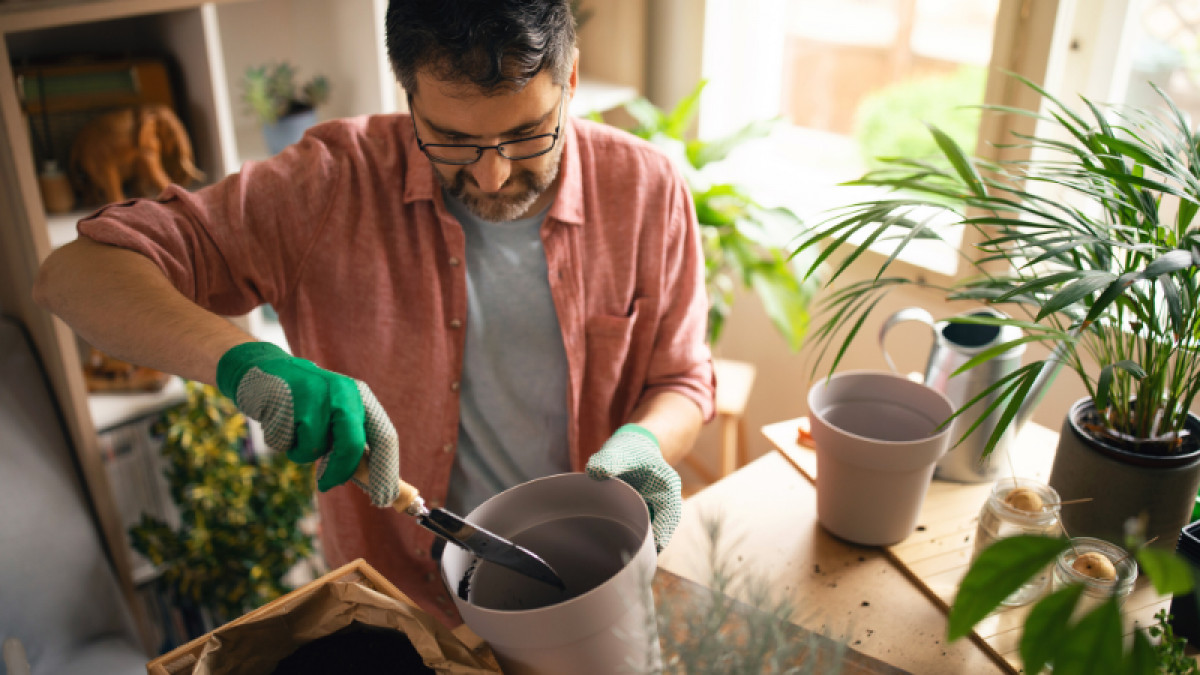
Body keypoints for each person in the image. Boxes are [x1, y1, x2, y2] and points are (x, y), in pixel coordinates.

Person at [33, 0, 715, 626]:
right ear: (409, 99)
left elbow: (682, 379)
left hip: (592, 595)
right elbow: (74, 273)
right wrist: (249, 362)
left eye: (528, 135)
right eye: (450, 139)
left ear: (569, 84)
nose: (492, 176)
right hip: (397, 614)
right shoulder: (329, 182)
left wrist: (647, 444)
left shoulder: (647, 190)